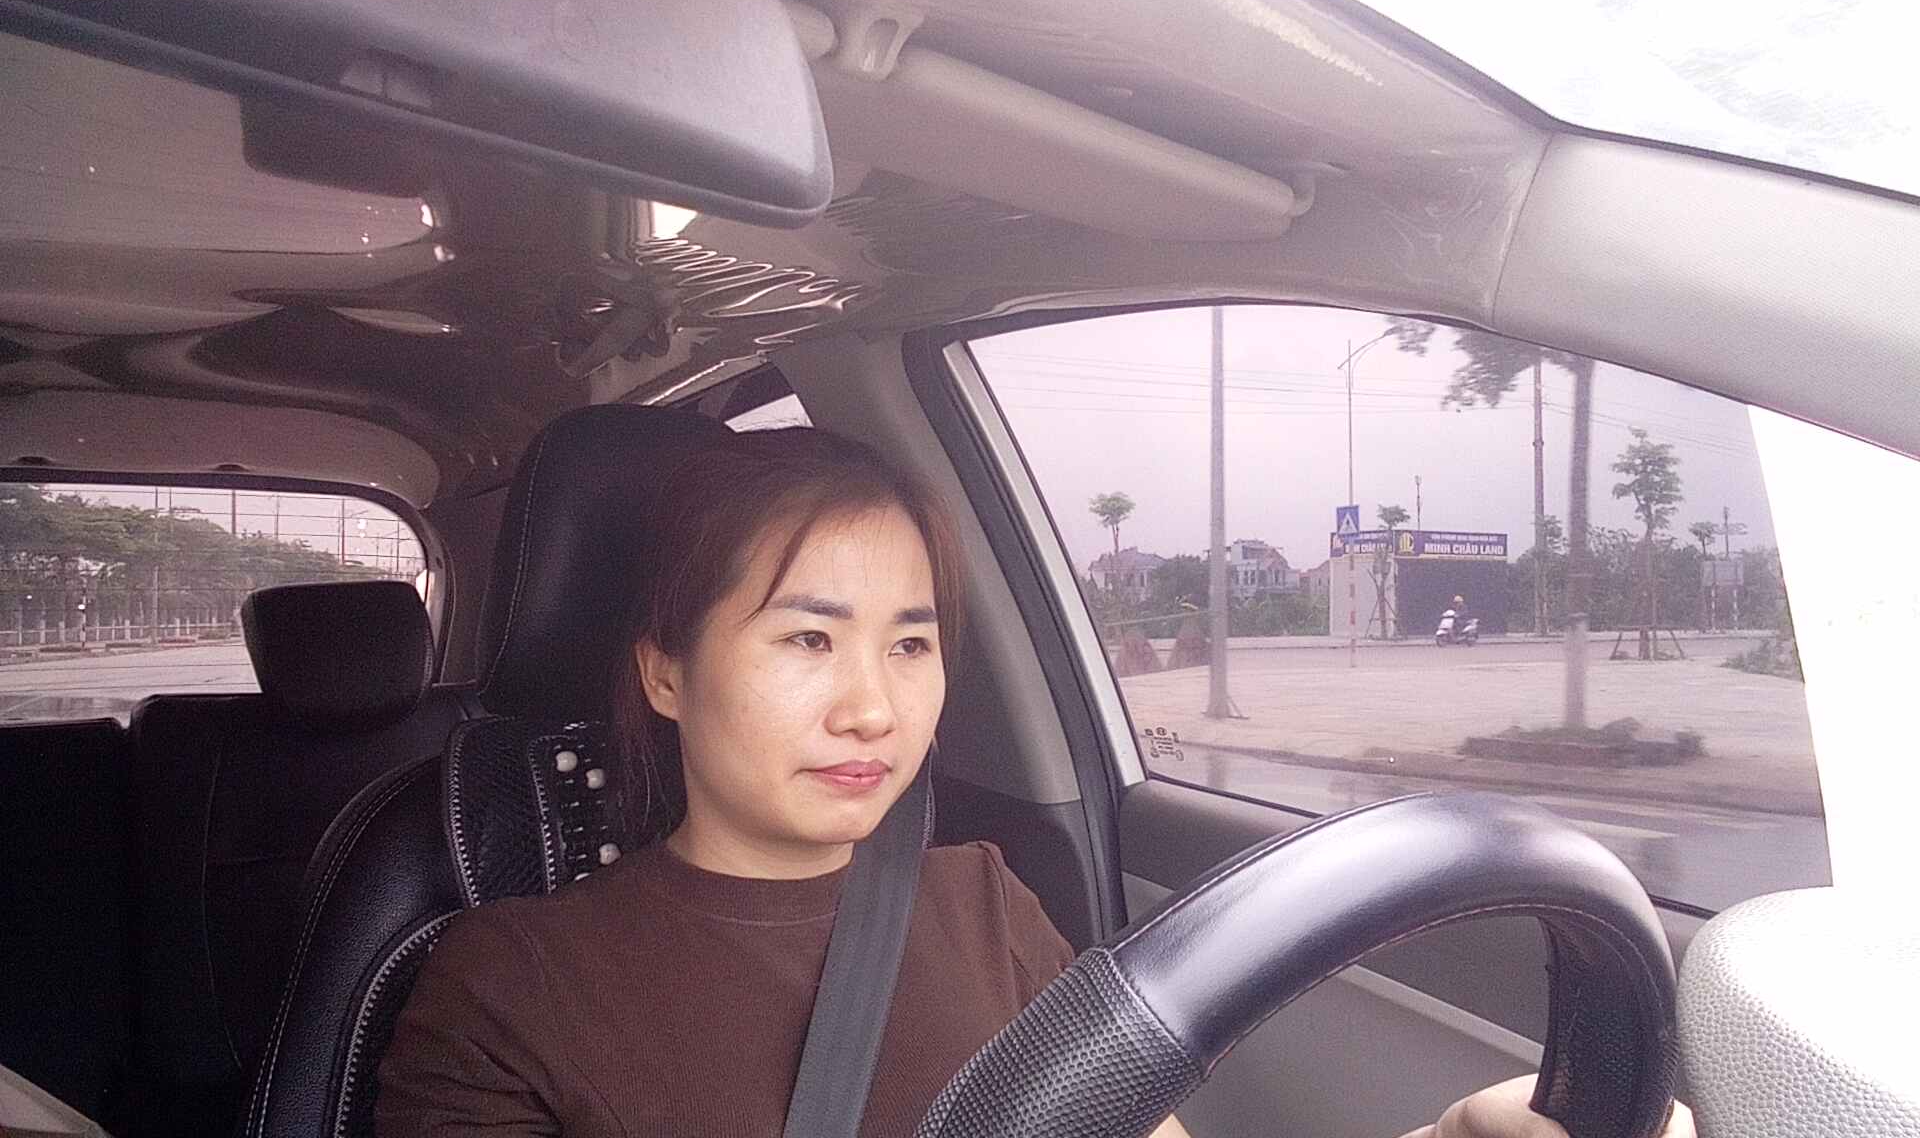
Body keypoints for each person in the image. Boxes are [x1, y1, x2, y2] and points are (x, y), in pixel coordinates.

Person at [376, 426, 1692, 1138]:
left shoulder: (981, 902)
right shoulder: (503, 986)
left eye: (911, 643)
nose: (873, 706)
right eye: (808, 641)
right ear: (665, 671)